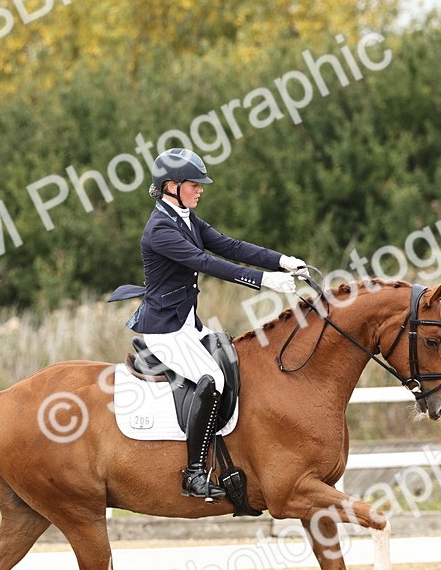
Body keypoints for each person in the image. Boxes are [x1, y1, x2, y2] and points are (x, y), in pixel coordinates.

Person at [110, 148, 304, 500]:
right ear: (171, 185)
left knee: (233, 363)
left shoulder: (185, 218)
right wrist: (264, 281)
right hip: (163, 330)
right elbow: (207, 262)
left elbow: (230, 246)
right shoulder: (160, 229)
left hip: (187, 324)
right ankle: (194, 473)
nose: (200, 189)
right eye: (194, 184)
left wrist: (282, 261)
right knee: (211, 380)